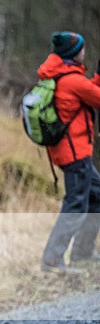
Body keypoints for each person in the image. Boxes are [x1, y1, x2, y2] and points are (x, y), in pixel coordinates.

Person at [39, 32, 100, 273]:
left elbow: (89, 90)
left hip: (73, 152)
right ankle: (52, 260)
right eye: (81, 48)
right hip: (75, 155)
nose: (84, 52)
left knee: (96, 196)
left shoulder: (62, 76)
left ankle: (82, 253)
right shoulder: (71, 80)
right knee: (75, 204)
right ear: (74, 53)